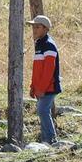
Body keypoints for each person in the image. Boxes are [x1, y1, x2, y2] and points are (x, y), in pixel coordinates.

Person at [29, 14, 61, 144]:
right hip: (42, 88)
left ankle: (51, 140)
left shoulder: (49, 45)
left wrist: (41, 88)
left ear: (46, 29)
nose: (34, 29)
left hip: (49, 87)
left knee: (43, 111)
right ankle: (46, 139)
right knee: (42, 111)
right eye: (33, 27)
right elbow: (37, 69)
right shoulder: (39, 44)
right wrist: (33, 86)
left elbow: (49, 71)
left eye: (38, 27)